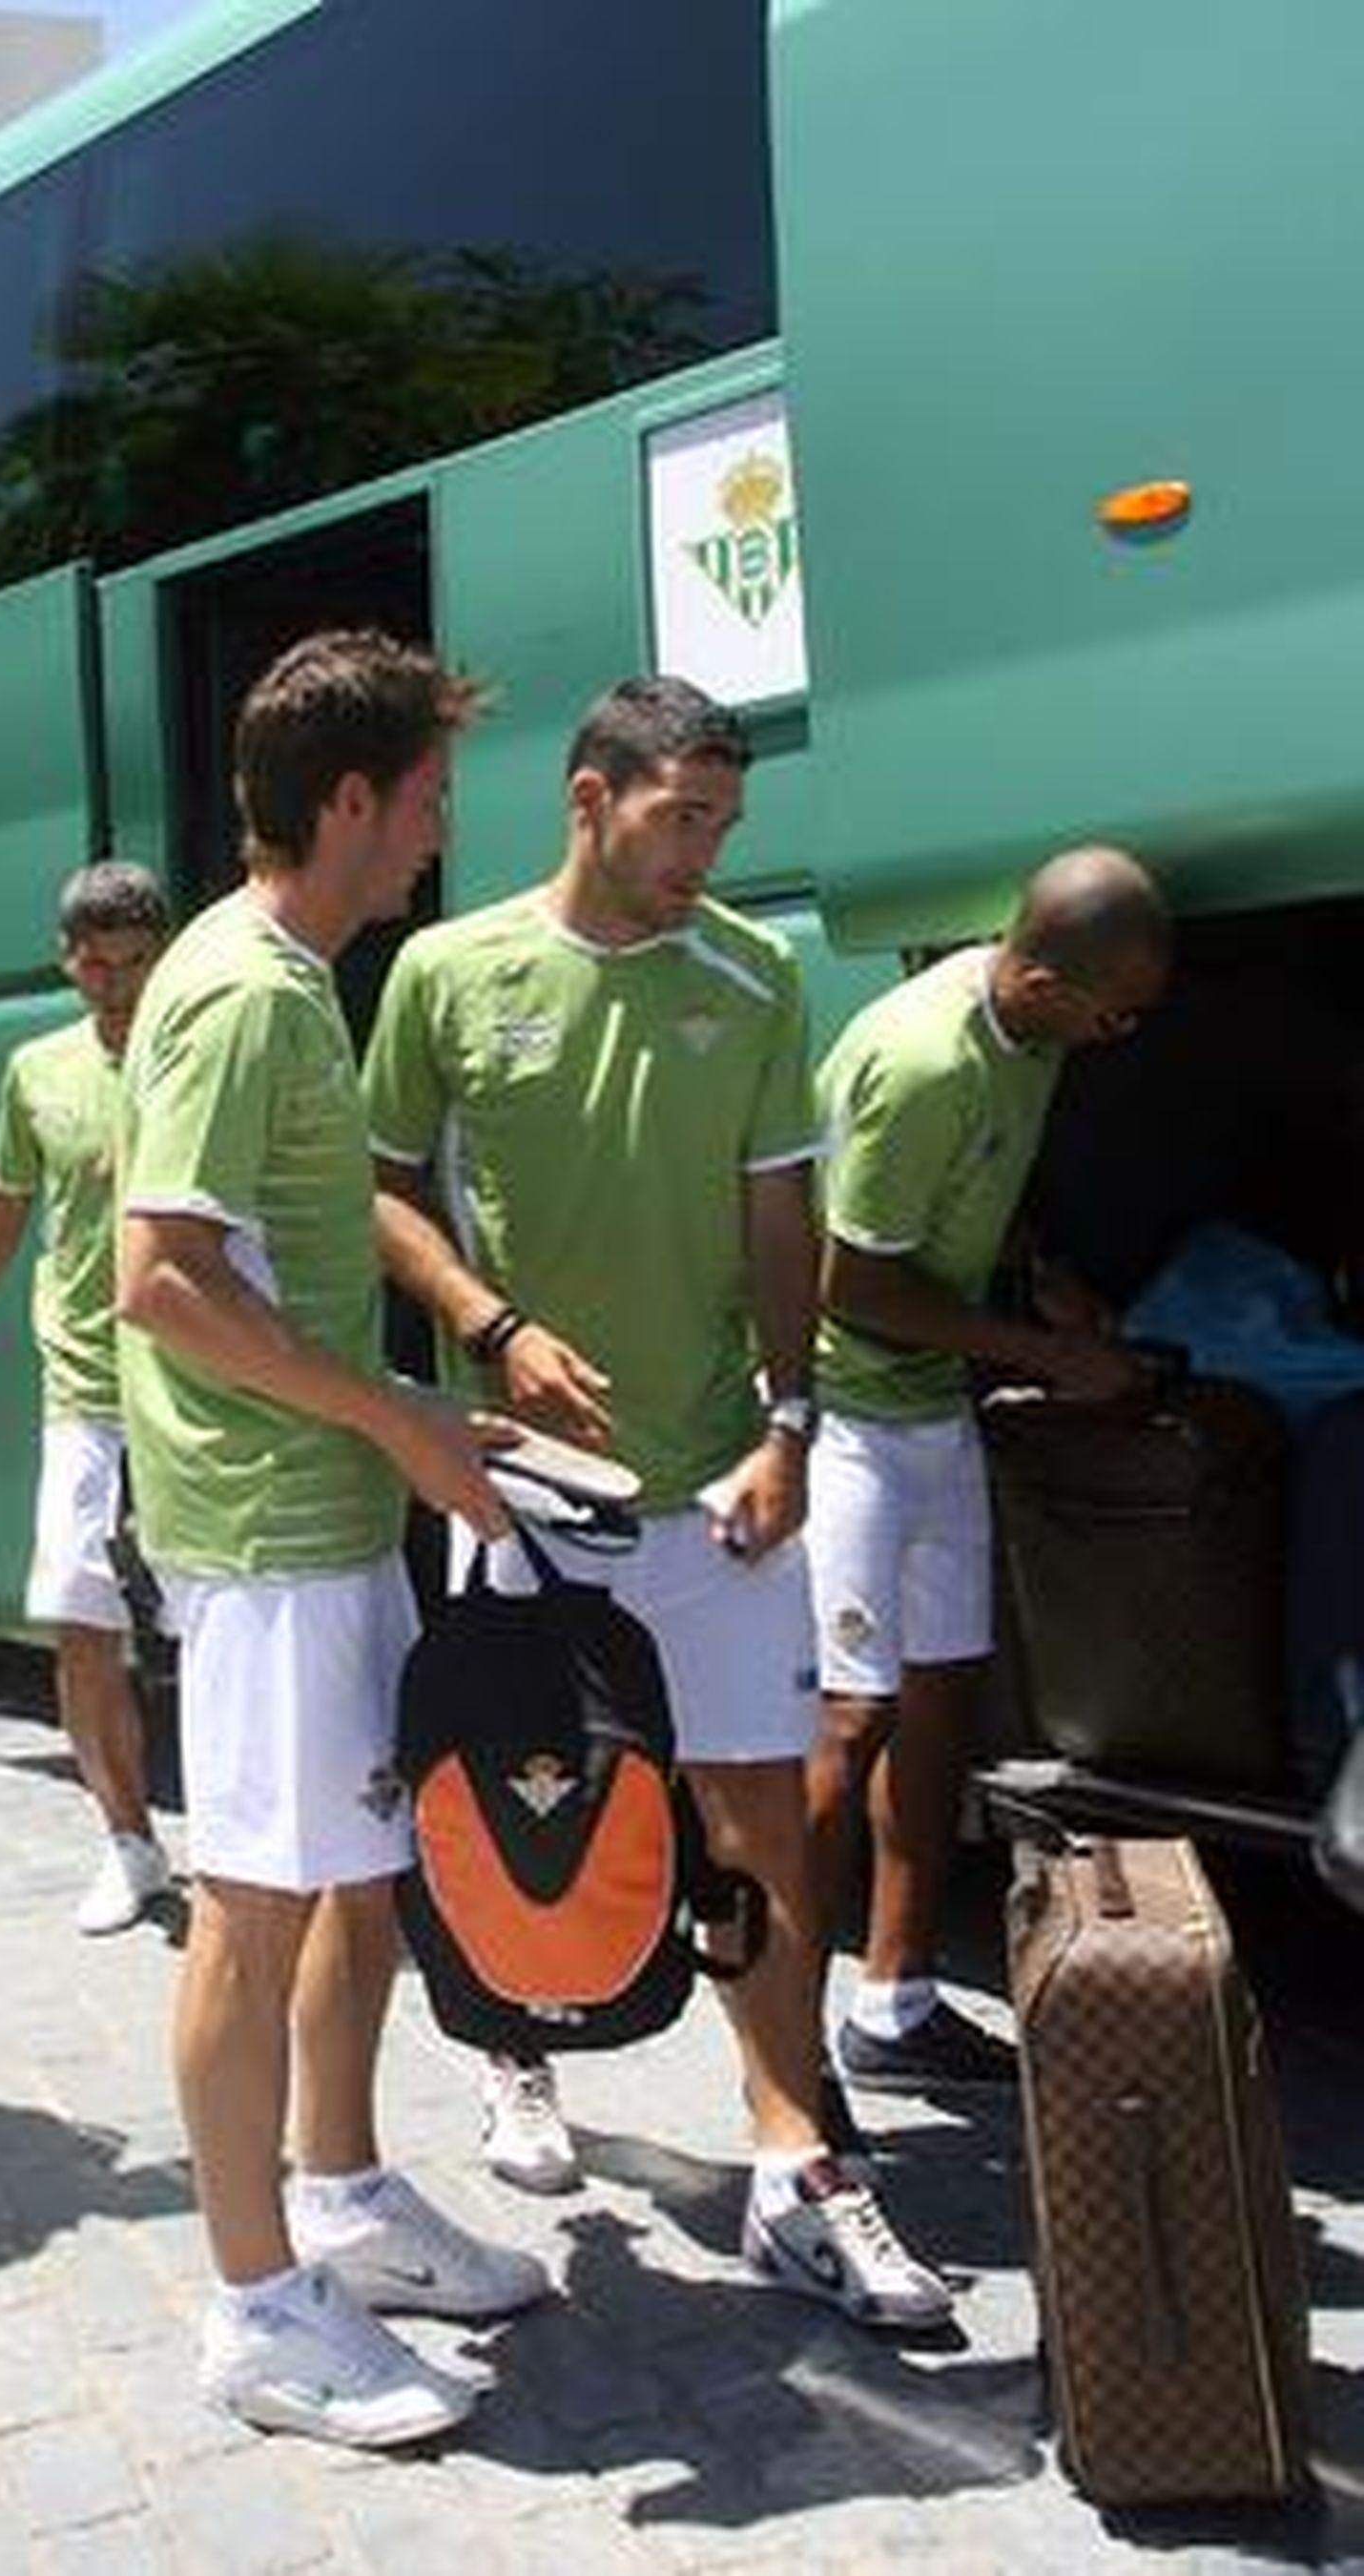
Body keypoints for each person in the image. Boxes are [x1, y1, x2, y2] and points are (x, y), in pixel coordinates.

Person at [365, 673, 952, 2333]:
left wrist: (790, 1421)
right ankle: (512, 2052)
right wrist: (490, 1329)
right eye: (677, 815)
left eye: (723, 821)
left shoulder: (755, 977)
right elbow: (383, 1189)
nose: (703, 849)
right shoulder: (446, 971)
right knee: (512, 1807)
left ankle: (796, 2171)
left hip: (712, 1489)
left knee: (759, 1822)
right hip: (520, 1493)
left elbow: (785, 1227)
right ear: (587, 797)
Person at [115, 629, 547, 2455]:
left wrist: (435, 1411)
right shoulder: (242, 994)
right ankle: (255, 2309)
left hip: (331, 1507)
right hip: (272, 1528)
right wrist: (404, 1419)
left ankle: (346, 2200)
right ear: (352, 801)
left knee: (357, 1884)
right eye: (431, 799)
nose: (442, 837)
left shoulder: (293, 980)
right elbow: (161, 1281)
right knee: (258, 1902)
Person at [805, 845, 1172, 2094]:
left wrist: (1042, 1277)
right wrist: (1044, 1357)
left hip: (927, 1409)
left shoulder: (1037, 1035)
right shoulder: (922, 1059)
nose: (1120, 1036)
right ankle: (780, 2042)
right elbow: (849, 1286)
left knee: (941, 1702)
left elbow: (976, 1183)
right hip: (845, 1412)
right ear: (1044, 973)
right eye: (1114, 1010)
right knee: (848, 1721)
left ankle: (895, 2008)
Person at [0, 862, 174, 1937]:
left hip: (206, 1384)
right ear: (69, 959)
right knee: (83, 1627)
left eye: (132, 963)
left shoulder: (199, 1048)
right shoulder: (36, 1069)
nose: (113, 986)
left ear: (161, 954)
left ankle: (261, 1846)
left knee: (215, 1625)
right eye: (95, 964)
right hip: (86, 1383)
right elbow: (5, 1202)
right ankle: (127, 1844)